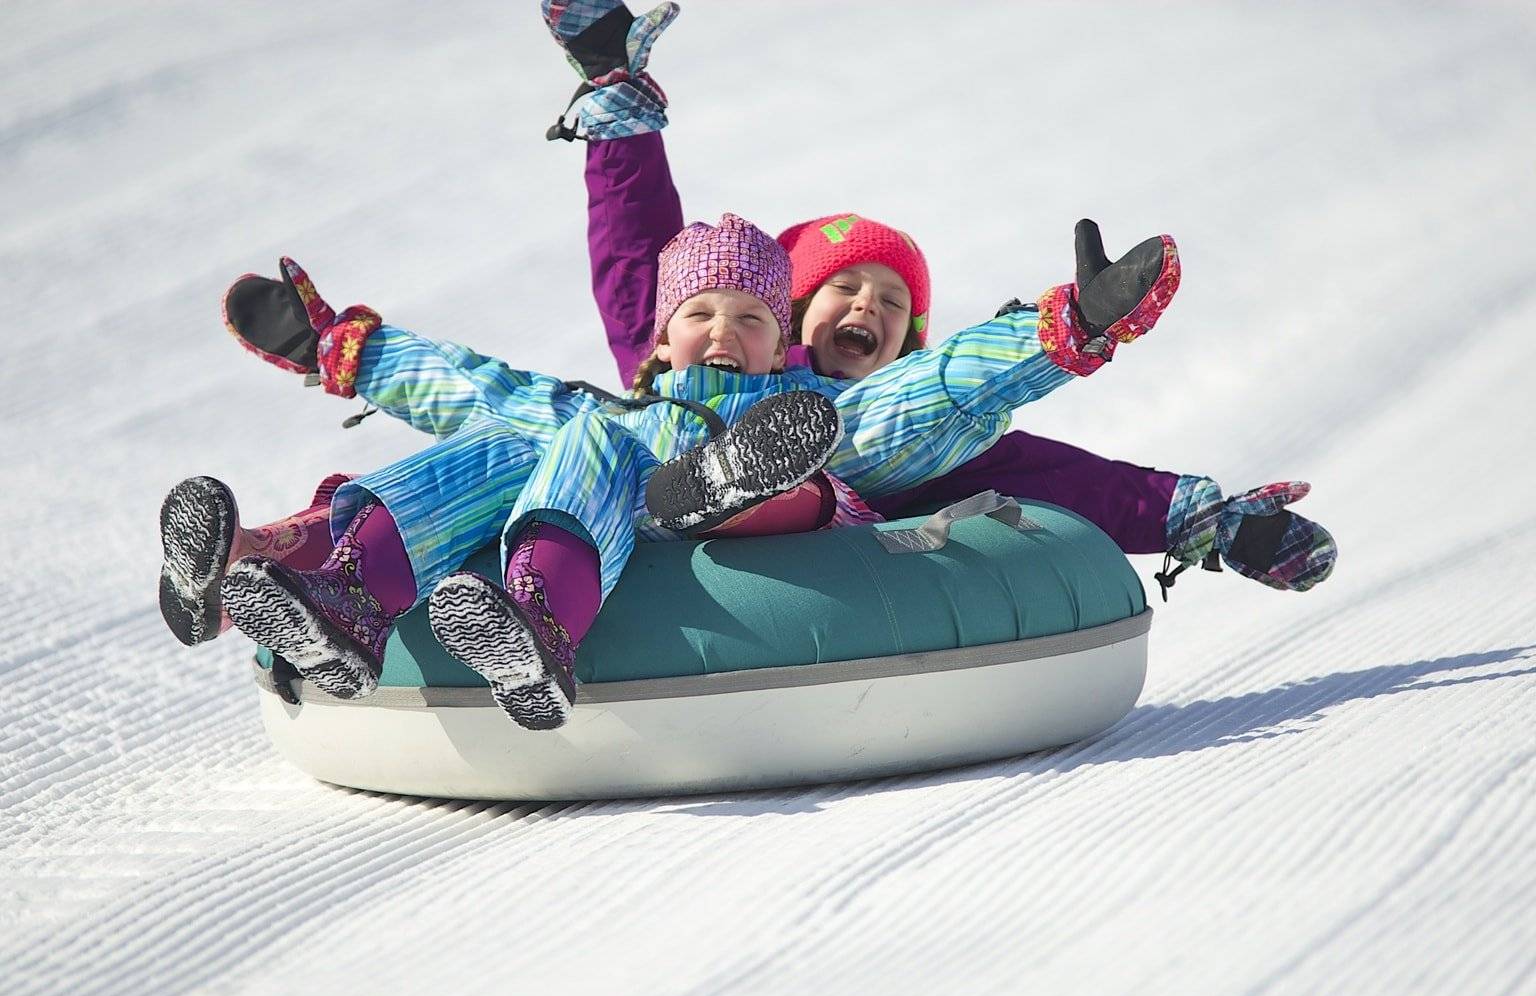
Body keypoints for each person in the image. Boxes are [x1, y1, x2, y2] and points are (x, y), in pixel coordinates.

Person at [202, 210, 1174, 729]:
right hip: (637, 497)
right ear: (660, 341)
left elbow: (931, 395)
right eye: (701, 315)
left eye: (753, 318)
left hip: (797, 506)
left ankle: (627, 557)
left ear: (779, 338)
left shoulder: (822, 406)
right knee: (518, 437)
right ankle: (355, 602)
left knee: (804, 450)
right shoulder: (619, 410)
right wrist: (346, 349)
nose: (726, 330)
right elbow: (472, 386)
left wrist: (1067, 327)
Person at [542, 0, 1337, 599]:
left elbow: (1072, 482)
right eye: (841, 289)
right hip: (665, 550)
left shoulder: (928, 432)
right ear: (779, 316)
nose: (867, 308)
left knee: (929, 431)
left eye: (893, 304)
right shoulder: (697, 362)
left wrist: (1215, 522)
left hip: (836, 566)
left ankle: (1070, 331)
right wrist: (615, 98)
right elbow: (637, 255)